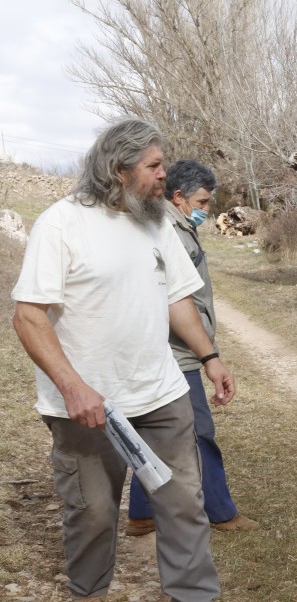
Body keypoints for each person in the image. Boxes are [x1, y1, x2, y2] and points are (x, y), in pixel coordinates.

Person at [11, 118, 234, 602]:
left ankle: (193, 594)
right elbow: (28, 317)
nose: (163, 176)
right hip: (88, 404)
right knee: (92, 513)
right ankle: (88, 592)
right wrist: (73, 387)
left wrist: (209, 356)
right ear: (118, 169)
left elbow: (178, 298)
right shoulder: (62, 222)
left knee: (184, 504)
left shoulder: (155, 222)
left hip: (161, 392)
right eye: (154, 166)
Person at [126, 159, 258, 536]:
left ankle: (142, 512)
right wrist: (206, 355)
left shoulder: (175, 225)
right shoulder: (169, 230)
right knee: (200, 433)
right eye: (201, 202)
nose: (206, 210)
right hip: (178, 353)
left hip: (171, 351)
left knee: (157, 432)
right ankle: (220, 512)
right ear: (178, 196)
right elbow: (173, 300)